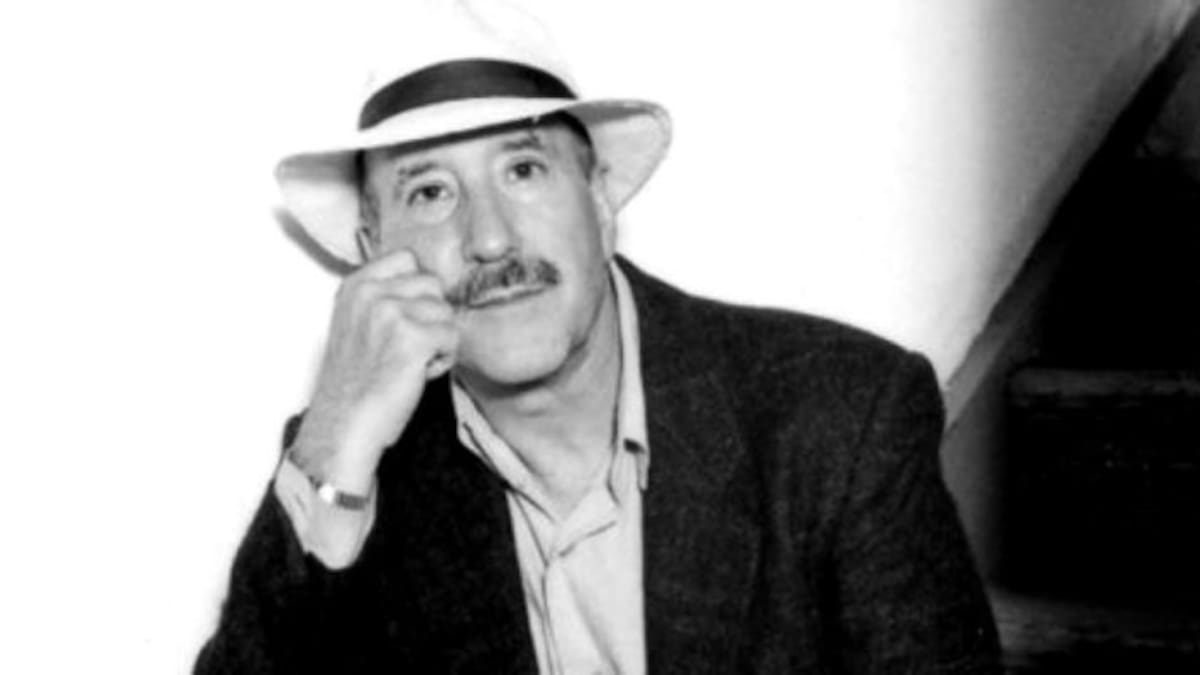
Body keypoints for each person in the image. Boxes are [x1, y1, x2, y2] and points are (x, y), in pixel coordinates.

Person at [196, 1, 1001, 672]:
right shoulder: (358, 472)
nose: (490, 239)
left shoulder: (839, 420)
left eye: (523, 169)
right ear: (377, 256)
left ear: (600, 199)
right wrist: (332, 437)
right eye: (431, 192)